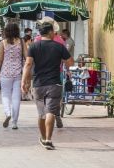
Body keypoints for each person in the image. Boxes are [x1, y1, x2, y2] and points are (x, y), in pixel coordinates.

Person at [22, 22, 73, 150]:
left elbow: (28, 65)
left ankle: (43, 138)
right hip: (55, 83)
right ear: (50, 32)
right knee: (51, 111)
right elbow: (70, 62)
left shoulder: (33, 46)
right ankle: (48, 140)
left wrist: (24, 81)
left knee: (41, 114)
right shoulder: (59, 46)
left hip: (39, 84)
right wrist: (62, 60)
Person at [0, 22, 25, 129]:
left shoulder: (3, 42)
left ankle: (8, 113)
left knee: (5, 95)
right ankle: (14, 123)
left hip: (5, 73)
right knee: (16, 97)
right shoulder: (21, 42)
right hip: (18, 73)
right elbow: (27, 56)